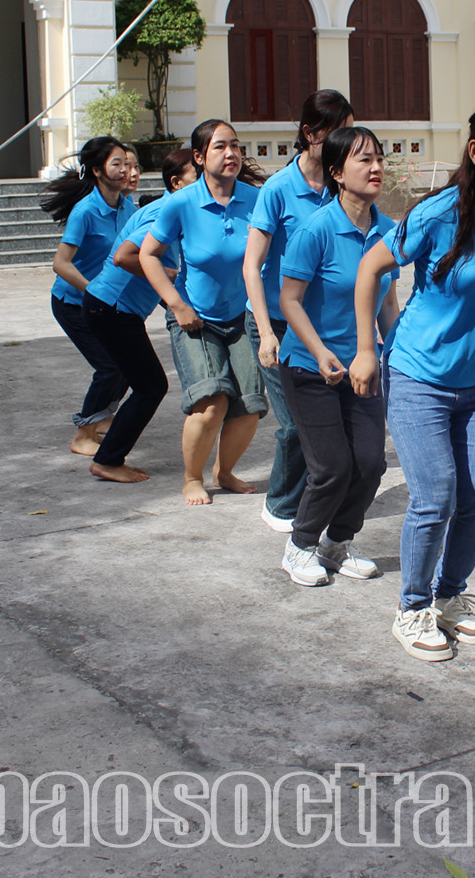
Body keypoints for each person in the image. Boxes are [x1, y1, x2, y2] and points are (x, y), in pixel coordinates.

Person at [350, 95, 475, 662]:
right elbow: (370, 268)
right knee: (435, 497)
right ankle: (412, 607)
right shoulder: (437, 215)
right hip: (418, 375)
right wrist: (366, 348)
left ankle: (448, 594)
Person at [275, 126, 402, 586]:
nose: (376, 167)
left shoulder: (389, 232)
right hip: (310, 367)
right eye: (364, 159)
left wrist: (398, 354)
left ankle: (336, 544)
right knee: (332, 467)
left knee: (370, 465)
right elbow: (289, 300)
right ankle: (300, 545)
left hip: (363, 369)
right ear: (337, 172)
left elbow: (387, 302)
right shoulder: (316, 229)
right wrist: (319, 350)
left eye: (379, 158)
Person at [139, 120, 269, 506]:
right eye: (220, 147)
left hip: (243, 316)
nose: (231, 154)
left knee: (250, 405)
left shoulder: (257, 199)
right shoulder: (181, 203)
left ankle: (224, 472)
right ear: (199, 156)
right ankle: (192, 477)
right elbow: (147, 255)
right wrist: (176, 304)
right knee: (212, 402)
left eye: (235, 146)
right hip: (194, 317)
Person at [244, 89, 355, 534]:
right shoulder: (278, 190)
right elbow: (252, 265)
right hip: (276, 322)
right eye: (340, 132)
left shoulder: (341, 187)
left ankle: (317, 502)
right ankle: (281, 505)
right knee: (295, 425)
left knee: (330, 423)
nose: (349, 142)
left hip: (320, 326)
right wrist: (266, 332)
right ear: (310, 133)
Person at [81, 148, 198, 483]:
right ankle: (107, 459)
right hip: (111, 308)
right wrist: (172, 278)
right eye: (198, 177)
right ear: (176, 183)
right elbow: (125, 257)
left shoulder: (178, 210)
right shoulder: (164, 210)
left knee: (141, 381)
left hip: (115, 309)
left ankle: (106, 453)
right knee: (151, 386)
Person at [42, 137, 137, 455]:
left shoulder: (127, 207)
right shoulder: (85, 211)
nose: (125, 171)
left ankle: (102, 419)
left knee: (127, 364)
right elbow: (61, 263)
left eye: (127, 164)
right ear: (97, 170)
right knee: (110, 367)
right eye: (117, 164)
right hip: (73, 303)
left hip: (106, 304)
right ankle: (83, 434)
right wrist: (94, 290)